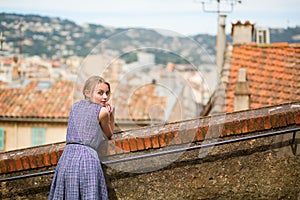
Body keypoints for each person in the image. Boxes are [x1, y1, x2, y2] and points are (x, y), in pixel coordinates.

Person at [48, 75, 114, 200]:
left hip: (67, 158)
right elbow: (109, 134)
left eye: (107, 93)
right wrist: (111, 114)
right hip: (87, 158)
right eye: (100, 93)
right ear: (87, 93)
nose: (105, 97)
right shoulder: (102, 111)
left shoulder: (74, 108)